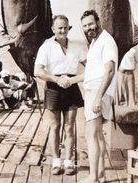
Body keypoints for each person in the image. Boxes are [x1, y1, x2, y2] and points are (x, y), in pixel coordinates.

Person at [70, 10, 118, 183]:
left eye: (91, 23)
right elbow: (91, 72)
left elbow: (110, 70)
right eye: (84, 25)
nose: (88, 28)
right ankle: (101, 175)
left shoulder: (107, 41)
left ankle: (93, 177)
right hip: (94, 91)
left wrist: (98, 97)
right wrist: (72, 80)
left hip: (99, 92)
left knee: (91, 134)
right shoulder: (95, 42)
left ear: (98, 21)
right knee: (98, 135)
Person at [34, 14, 85, 176]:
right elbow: (38, 71)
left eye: (65, 27)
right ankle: (56, 162)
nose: (63, 30)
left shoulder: (77, 46)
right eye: (59, 28)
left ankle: (69, 162)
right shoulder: (46, 46)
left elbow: (91, 67)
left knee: (69, 127)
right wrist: (56, 79)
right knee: (55, 127)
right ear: (53, 29)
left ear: (68, 28)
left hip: (71, 86)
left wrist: (74, 79)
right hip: (54, 88)